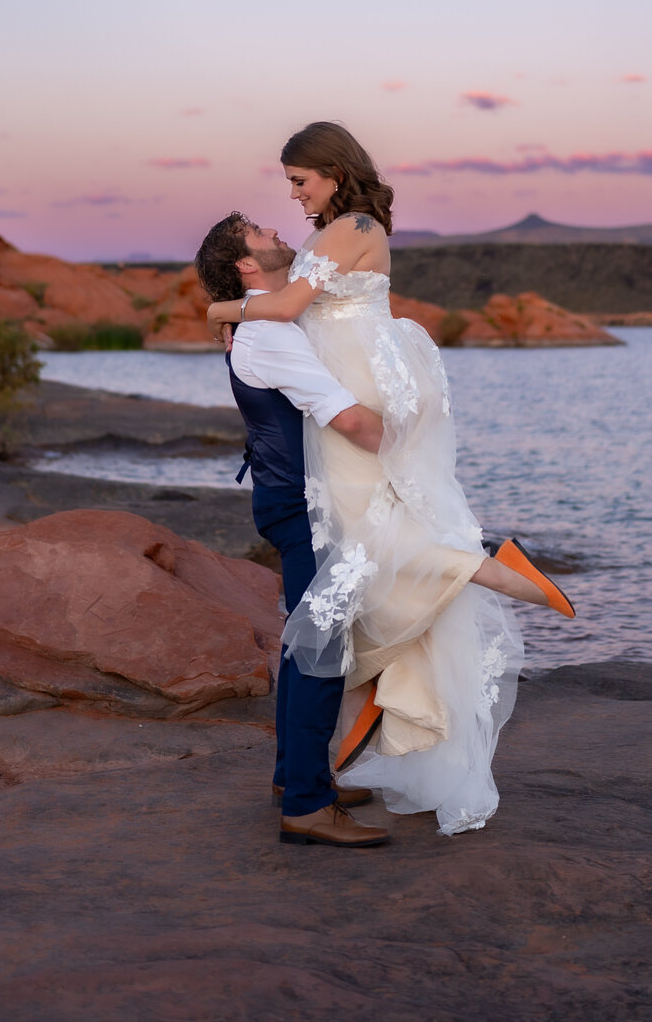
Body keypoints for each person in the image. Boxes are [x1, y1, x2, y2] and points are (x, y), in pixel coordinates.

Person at [205, 122, 575, 837]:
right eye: (283, 190)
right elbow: (291, 322)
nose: (290, 197)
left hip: (350, 401)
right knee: (344, 594)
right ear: (247, 264)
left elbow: (289, 311)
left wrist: (223, 307)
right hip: (323, 448)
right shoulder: (294, 288)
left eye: (299, 180)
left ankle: (310, 772)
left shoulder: (350, 227)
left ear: (335, 172)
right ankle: (314, 779)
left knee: (354, 572)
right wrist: (242, 311)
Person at [195, 212, 393, 849]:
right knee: (320, 645)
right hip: (303, 505)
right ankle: (308, 805)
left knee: (301, 638)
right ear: (246, 265)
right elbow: (347, 420)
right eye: (258, 230)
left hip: (286, 497)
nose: (276, 229)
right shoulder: (270, 334)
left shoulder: (263, 318)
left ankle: (295, 776)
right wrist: (412, 450)